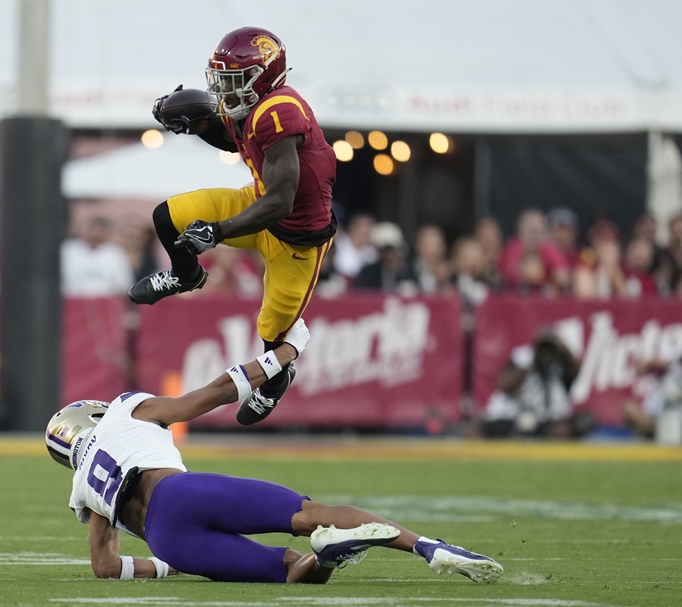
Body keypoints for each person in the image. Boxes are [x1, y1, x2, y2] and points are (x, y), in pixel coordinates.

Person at [45, 318, 503, 584]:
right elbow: (212, 394)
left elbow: (104, 566)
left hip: (170, 540)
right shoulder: (126, 410)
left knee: (289, 571)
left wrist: (165, 567)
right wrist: (282, 355)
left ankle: (327, 556)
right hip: (181, 494)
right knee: (308, 516)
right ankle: (428, 547)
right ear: (92, 415)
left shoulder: (81, 486)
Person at [128, 27, 337, 426]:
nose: (224, 88)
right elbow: (236, 142)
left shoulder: (280, 112)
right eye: (221, 78)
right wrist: (200, 126)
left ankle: (276, 382)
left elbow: (282, 201)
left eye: (233, 79)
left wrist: (218, 232)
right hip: (256, 202)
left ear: (262, 76)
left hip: (296, 240)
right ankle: (185, 276)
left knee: (273, 334)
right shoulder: (257, 108)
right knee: (167, 216)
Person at [482, 329, 583, 438]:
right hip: (515, 417)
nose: (546, 352)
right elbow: (504, 386)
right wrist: (530, 362)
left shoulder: (560, 361)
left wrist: (561, 347)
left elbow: (575, 374)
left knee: (576, 424)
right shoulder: (523, 357)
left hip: (548, 421)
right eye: (544, 348)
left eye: (549, 348)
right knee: (480, 428)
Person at [61, 216, 133, 297]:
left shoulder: (115, 253)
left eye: (100, 230)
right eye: (92, 228)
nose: (95, 233)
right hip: (72, 300)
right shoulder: (68, 249)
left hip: (106, 302)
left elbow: (123, 284)